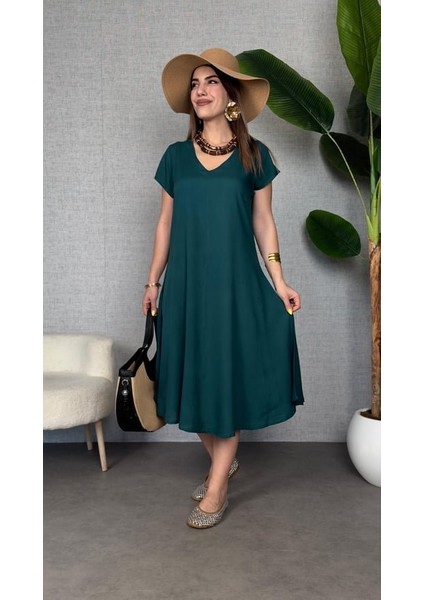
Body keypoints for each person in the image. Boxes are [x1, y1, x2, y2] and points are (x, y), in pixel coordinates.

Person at [142, 48, 304, 529]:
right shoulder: (175, 157)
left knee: (225, 381)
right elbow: (164, 224)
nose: (200, 90)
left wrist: (279, 279)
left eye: (211, 81)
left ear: (230, 95)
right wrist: (152, 282)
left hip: (235, 288)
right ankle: (221, 462)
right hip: (185, 289)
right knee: (190, 379)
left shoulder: (256, 156)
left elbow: (264, 222)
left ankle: (216, 488)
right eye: (195, 84)